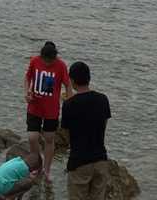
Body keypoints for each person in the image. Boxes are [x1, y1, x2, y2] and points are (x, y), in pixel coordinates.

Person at [60, 61, 111, 200]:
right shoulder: (103, 100)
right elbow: (104, 127)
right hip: (100, 159)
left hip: (79, 161)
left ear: (72, 80)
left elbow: (66, 135)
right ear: (89, 78)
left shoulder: (69, 105)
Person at [24, 40, 70, 184]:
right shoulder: (35, 61)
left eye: (51, 60)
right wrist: (26, 93)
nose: (48, 63)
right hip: (34, 107)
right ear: (41, 56)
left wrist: (70, 102)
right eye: (46, 60)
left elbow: (68, 85)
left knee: (49, 138)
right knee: (32, 137)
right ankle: (36, 164)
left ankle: (47, 170)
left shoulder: (61, 65)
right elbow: (27, 78)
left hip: (51, 110)